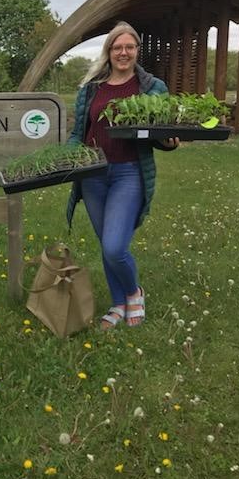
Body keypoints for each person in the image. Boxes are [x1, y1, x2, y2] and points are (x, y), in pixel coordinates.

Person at [66, 21, 179, 329]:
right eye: (117, 47)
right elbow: (79, 132)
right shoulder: (92, 89)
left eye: (129, 47)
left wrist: (168, 141)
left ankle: (133, 292)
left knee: (115, 246)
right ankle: (118, 305)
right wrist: (69, 154)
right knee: (106, 243)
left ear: (137, 51)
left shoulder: (152, 88)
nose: (123, 52)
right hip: (93, 175)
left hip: (129, 173)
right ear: (109, 51)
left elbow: (161, 132)